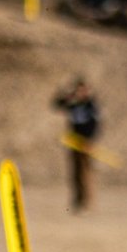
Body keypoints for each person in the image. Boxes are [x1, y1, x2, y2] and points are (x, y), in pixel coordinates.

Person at [53, 78, 100, 212]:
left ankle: (87, 202)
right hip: (74, 143)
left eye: (82, 90)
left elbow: (95, 125)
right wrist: (69, 96)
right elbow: (57, 105)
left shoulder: (90, 105)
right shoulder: (74, 105)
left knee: (85, 173)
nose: (80, 93)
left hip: (86, 143)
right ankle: (78, 201)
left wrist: (89, 141)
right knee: (75, 173)